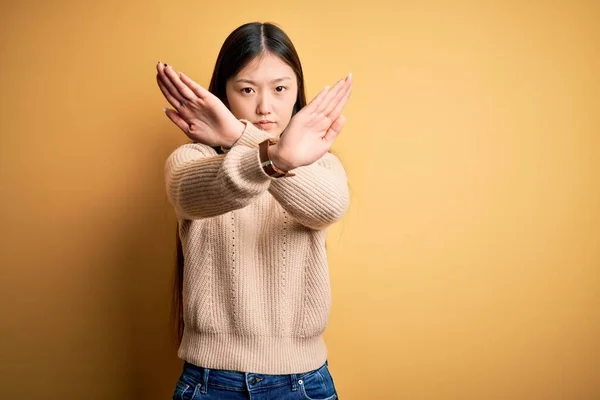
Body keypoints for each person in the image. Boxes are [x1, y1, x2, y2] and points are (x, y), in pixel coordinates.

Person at [156, 21, 352, 400]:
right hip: (211, 382)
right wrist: (269, 154)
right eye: (246, 89)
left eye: (280, 89)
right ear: (223, 94)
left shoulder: (322, 165)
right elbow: (191, 193)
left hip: (303, 384)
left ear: (297, 92)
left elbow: (328, 207)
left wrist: (239, 137)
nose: (265, 107)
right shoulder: (191, 159)